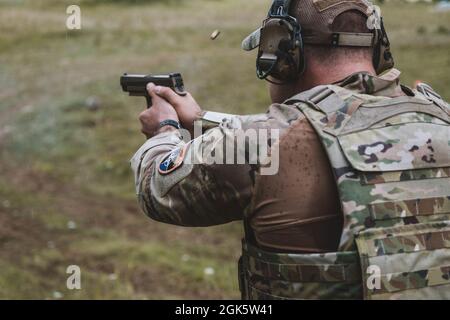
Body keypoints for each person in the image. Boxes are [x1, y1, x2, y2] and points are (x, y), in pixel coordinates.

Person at [131, 0, 450, 300]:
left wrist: (165, 129)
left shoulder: (261, 144)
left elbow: (155, 187)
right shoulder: (441, 118)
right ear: (378, 46)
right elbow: (313, 127)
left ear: (283, 54)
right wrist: (201, 120)